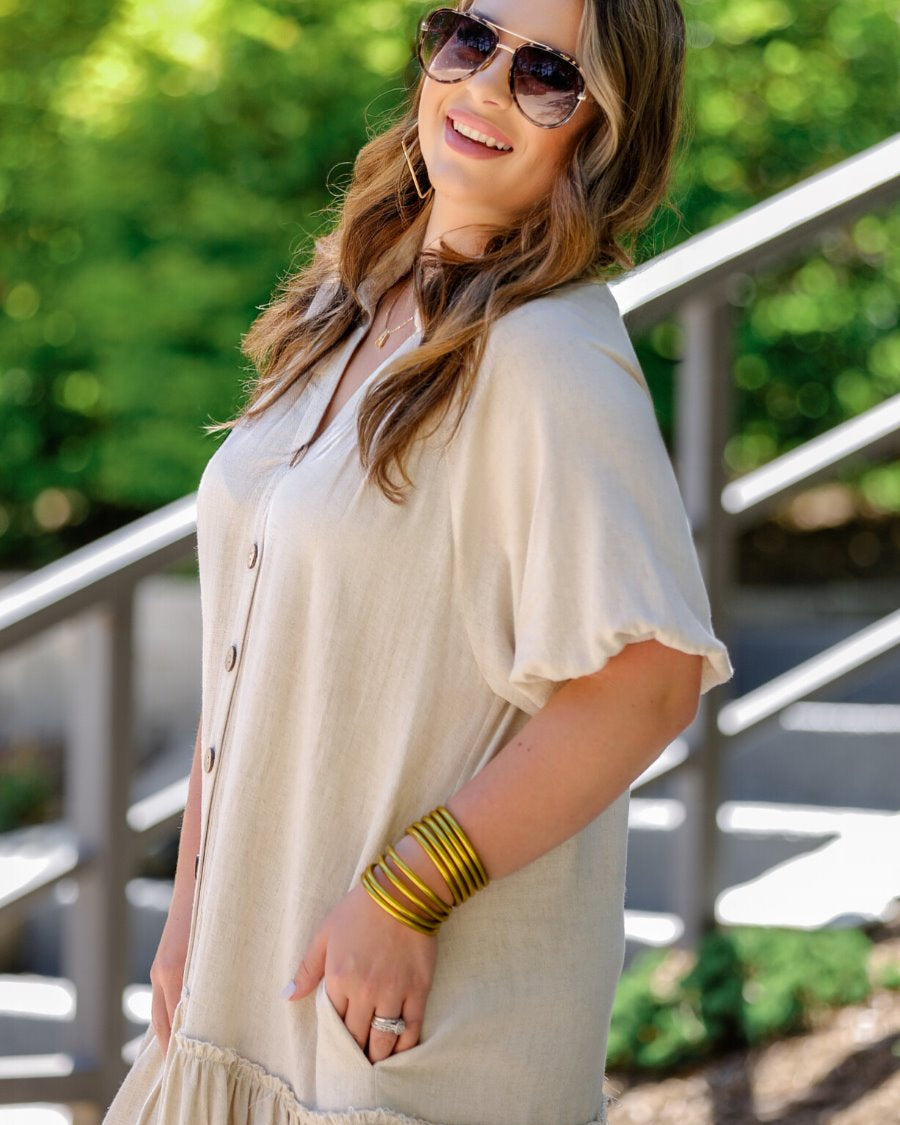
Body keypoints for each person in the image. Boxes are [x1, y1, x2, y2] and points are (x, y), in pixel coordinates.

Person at [103, 0, 733, 1122]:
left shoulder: (552, 360)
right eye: (468, 38)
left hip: (404, 1037)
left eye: (547, 73)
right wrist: (194, 914)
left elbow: (647, 681)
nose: (486, 85)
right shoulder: (348, 306)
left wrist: (407, 894)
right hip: (243, 995)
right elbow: (244, 654)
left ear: (605, 131)